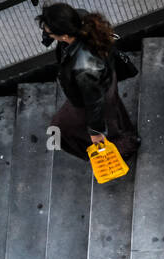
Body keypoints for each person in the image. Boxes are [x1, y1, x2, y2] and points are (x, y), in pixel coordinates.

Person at [39, 4, 140, 161]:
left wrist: (96, 132)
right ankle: (124, 136)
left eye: (49, 32)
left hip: (96, 91)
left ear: (64, 35)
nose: (46, 33)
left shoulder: (84, 67)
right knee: (113, 112)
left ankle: (120, 149)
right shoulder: (80, 20)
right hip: (105, 79)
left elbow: (94, 103)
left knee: (60, 128)